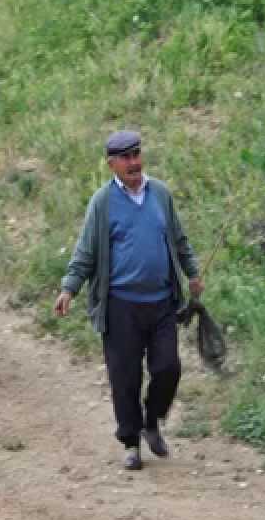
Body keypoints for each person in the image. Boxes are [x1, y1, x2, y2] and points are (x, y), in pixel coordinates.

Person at [54, 130, 204, 470]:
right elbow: (86, 252)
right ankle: (131, 442)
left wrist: (192, 273)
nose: (134, 162)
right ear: (112, 164)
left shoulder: (160, 194)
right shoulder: (103, 202)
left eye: (136, 154)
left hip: (162, 302)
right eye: (125, 158)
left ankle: (152, 421)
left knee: (168, 367)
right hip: (120, 305)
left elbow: (179, 240)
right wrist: (69, 288)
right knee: (125, 377)